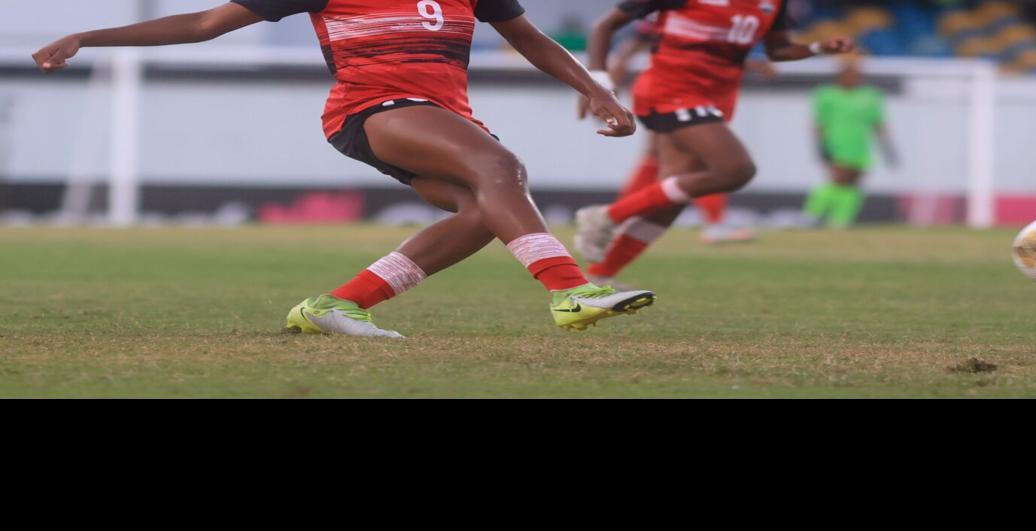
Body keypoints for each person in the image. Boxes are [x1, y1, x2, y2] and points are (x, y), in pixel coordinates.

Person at [31, 0, 654, 336]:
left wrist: (596, 88)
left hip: (441, 111)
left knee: (485, 210)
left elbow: (532, 38)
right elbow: (202, 23)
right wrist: (89, 35)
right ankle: (571, 292)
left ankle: (336, 305)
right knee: (500, 166)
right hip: (371, 108)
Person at [573, 0, 855, 282]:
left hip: (716, 97)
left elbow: (778, 48)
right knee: (736, 169)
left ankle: (600, 275)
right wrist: (599, 86)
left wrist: (819, 48)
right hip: (670, 88)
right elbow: (604, 26)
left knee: (673, 197)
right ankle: (606, 216)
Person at [604, 14, 776, 246]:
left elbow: (634, 43)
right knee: (705, 159)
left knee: (656, 156)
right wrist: (610, 81)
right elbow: (635, 41)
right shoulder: (684, 11)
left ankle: (616, 217)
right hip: (670, 88)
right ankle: (714, 224)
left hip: (667, 86)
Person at [803, 60, 895, 228]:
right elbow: (819, 123)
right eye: (848, 74)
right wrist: (821, 147)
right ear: (839, 76)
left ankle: (840, 220)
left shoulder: (870, 95)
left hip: (860, 146)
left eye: (856, 75)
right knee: (838, 180)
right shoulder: (826, 94)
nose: (853, 78)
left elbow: (877, 123)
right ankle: (811, 215)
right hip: (837, 144)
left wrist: (887, 148)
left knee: (854, 184)